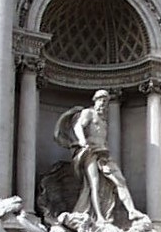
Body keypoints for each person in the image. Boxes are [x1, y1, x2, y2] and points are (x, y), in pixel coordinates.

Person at [54, 90, 144, 224]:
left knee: (120, 180)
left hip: (103, 154)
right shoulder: (88, 113)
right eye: (101, 100)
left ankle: (131, 210)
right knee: (94, 184)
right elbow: (78, 126)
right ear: (95, 100)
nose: (103, 103)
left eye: (105, 101)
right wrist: (82, 141)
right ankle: (99, 216)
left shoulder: (103, 121)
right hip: (89, 152)